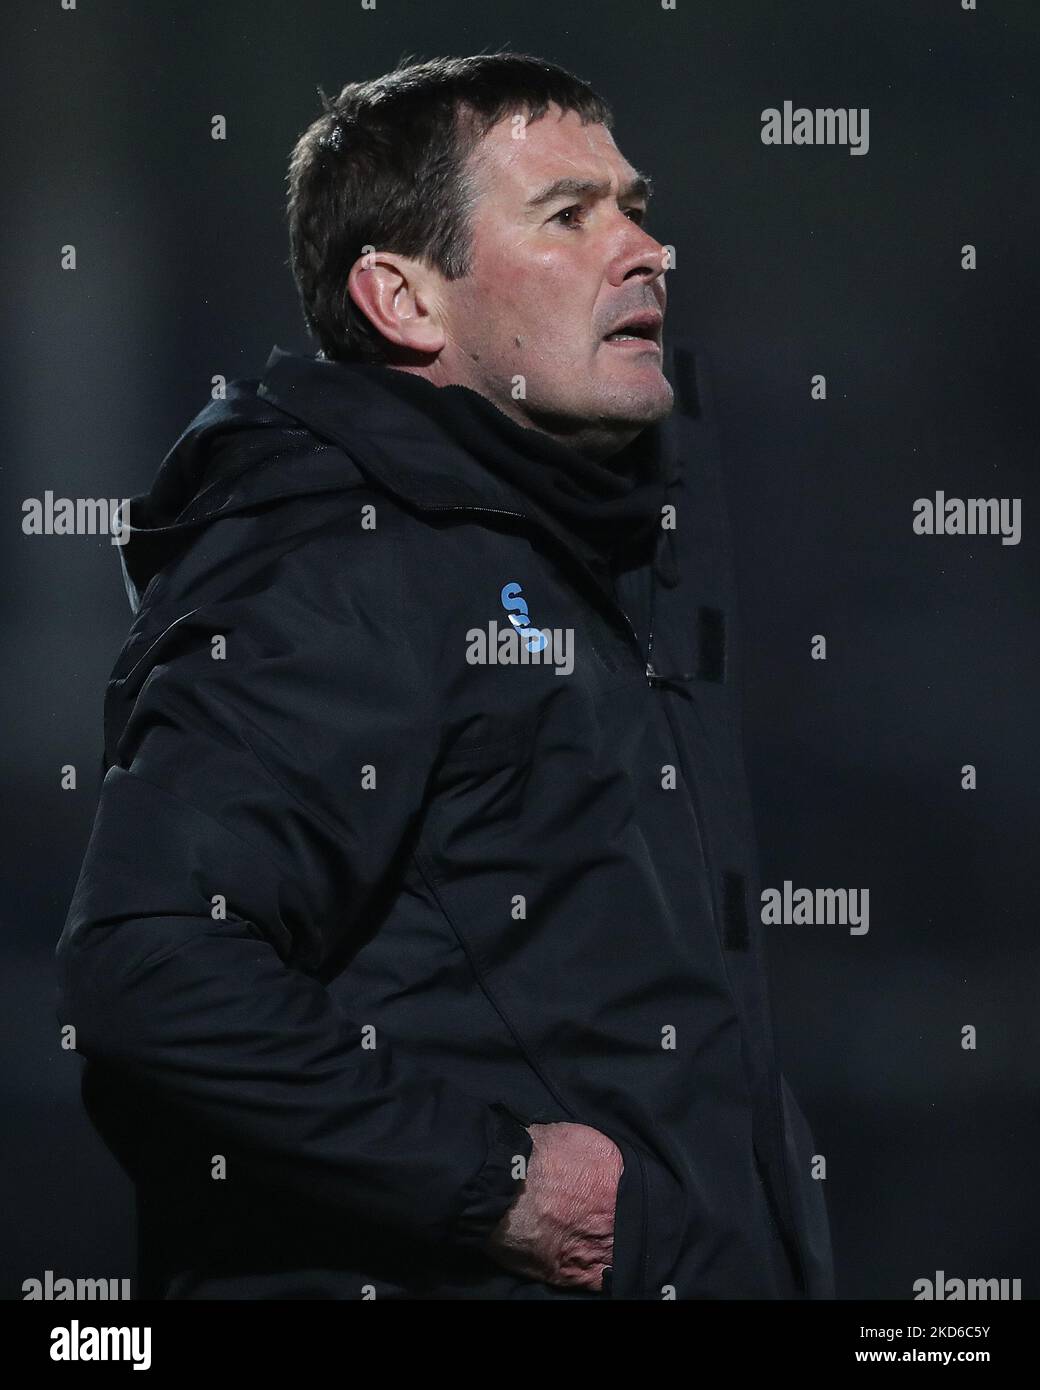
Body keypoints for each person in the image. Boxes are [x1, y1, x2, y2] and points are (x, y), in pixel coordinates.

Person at [56, 52, 835, 1300]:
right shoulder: (329, 559)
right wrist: (504, 1188)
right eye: (567, 214)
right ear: (403, 300)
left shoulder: (607, 538)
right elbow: (150, 965)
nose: (642, 249)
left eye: (632, 205)